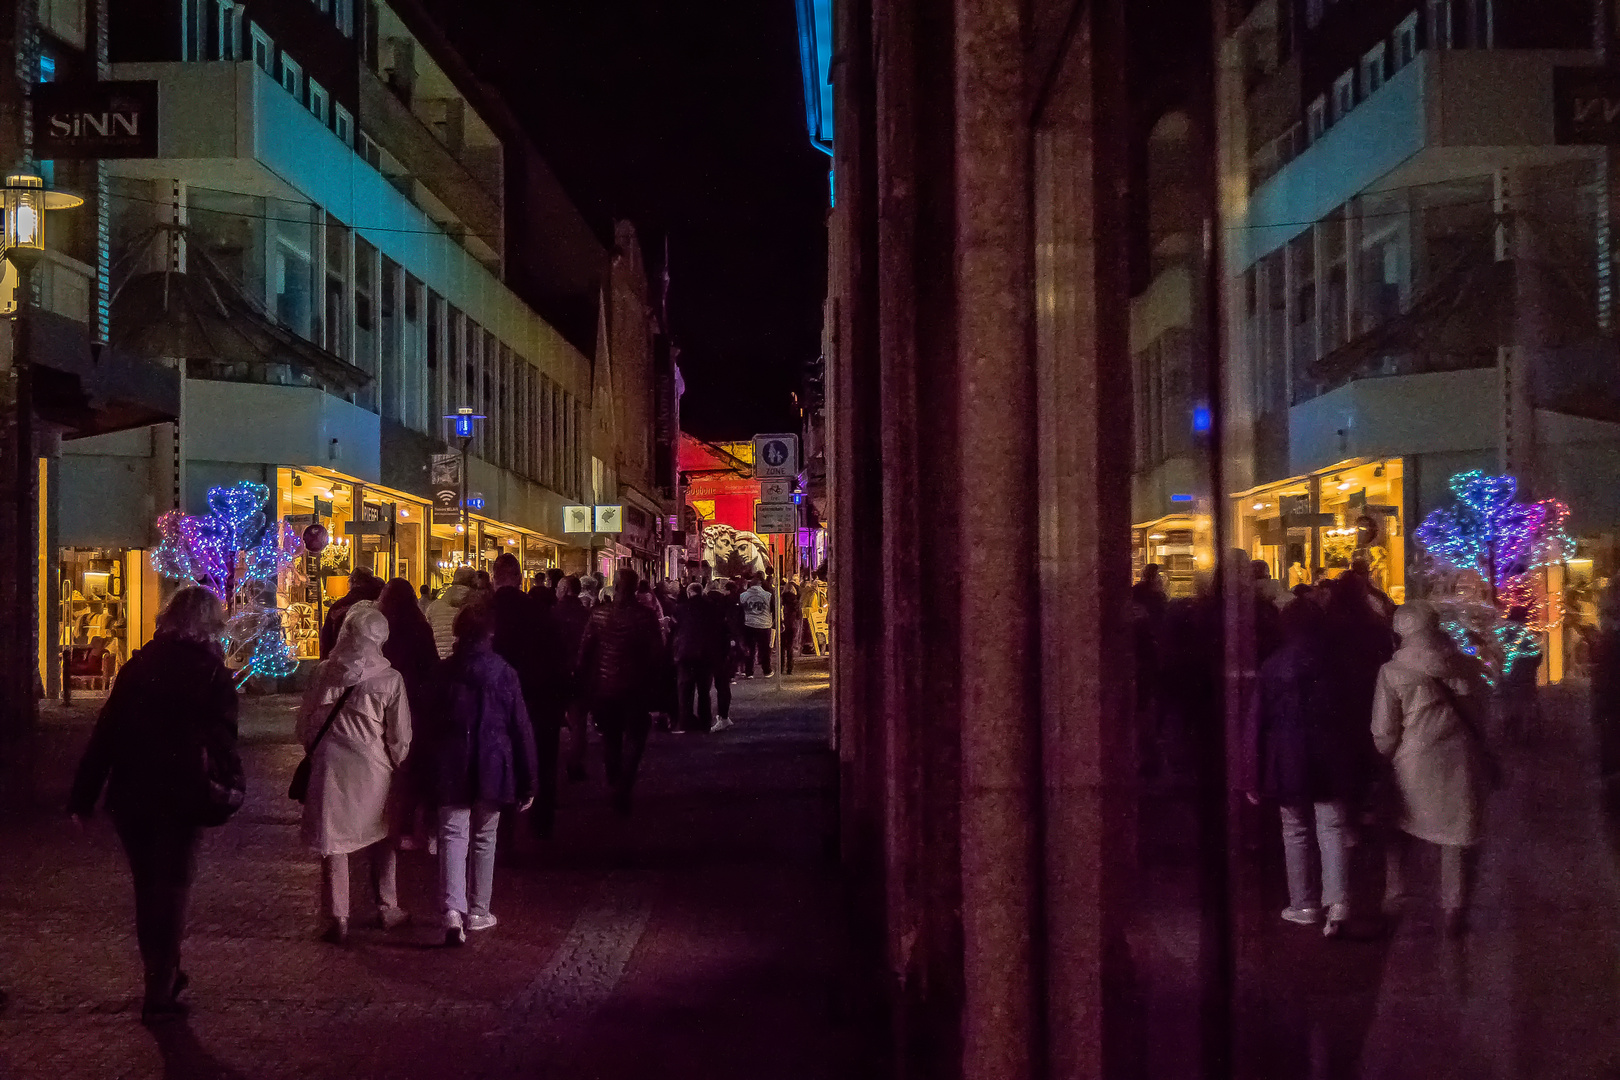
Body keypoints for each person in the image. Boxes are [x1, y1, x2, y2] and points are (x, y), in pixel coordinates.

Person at [69, 586, 239, 1024]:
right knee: (175, 883)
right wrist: (230, 782)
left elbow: (106, 732)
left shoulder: (139, 666)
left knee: (148, 886)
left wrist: (83, 798)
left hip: (133, 793)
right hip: (184, 791)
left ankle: (157, 974)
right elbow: (223, 740)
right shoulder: (213, 674)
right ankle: (164, 977)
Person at [1242, 600, 1368, 937]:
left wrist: (1251, 772)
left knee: (1295, 830)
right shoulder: (1339, 663)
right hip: (1332, 754)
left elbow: (1258, 721)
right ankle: (1338, 903)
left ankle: (1304, 903)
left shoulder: (1273, 666)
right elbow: (1355, 714)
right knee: (1332, 825)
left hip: (1288, 756)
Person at [1372, 601, 1494, 936]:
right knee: (1456, 835)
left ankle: (1396, 895)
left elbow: (1384, 731)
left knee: (1399, 829)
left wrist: (1385, 754)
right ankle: (1454, 908)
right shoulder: (1465, 665)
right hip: (1461, 760)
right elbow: (1484, 711)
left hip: (1412, 762)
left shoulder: (1392, 672)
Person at [297, 602, 412, 945]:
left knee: (335, 843)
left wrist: (315, 750)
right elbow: (400, 735)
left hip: (331, 766)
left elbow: (305, 723)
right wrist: (397, 761)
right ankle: (387, 905)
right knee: (382, 833)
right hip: (374, 766)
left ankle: (337, 914)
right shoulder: (390, 679)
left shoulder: (322, 674)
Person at [425, 601, 538, 946]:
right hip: (493, 761)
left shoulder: (445, 672)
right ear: (490, 633)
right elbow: (520, 727)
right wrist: (528, 778)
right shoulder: (504, 672)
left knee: (452, 835)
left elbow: (429, 723)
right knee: (485, 838)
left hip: (451, 762)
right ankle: (478, 910)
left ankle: (451, 911)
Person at [576, 569, 665, 814]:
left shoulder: (599, 614)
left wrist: (585, 681)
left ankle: (615, 779)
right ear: (635, 588)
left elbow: (585, 651)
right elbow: (657, 653)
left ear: (614, 586)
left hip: (606, 687)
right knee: (636, 737)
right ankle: (624, 784)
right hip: (635, 687)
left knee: (611, 737)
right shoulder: (645, 616)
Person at [489, 553, 553, 837]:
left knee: (498, 755)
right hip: (531, 691)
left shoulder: (483, 608)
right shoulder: (535, 610)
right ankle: (539, 817)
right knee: (533, 751)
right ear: (518, 578)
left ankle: (502, 826)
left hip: (492, 693)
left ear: (494, 578)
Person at [377, 578, 442, 852]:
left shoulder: (382, 629)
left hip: (382, 703)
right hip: (415, 703)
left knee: (387, 764)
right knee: (413, 765)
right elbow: (430, 666)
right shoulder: (419, 628)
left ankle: (387, 820)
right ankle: (414, 825)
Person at [548, 575, 593, 783]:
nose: (555, 590)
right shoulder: (585, 615)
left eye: (558, 587)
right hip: (579, 672)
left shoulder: (553, 614)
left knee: (551, 723)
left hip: (556, 673)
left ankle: (551, 765)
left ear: (565, 589)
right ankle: (574, 763)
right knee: (578, 723)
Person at [673, 582, 729, 733]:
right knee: (704, 690)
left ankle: (686, 721)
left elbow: (677, 628)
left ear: (690, 592)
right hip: (705, 653)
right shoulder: (711, 608)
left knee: (686, 689)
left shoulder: (681, 608)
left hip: (686, 653)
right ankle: (705, 722)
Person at [319, 566, 383, 658]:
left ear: (352, 582)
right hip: (374, 660)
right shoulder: (380, 604)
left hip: (343, 660)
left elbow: (326, 641)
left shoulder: (339, 606)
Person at [426, 566, 478, 659]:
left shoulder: (434, 607)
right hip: (468, 664)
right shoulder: (477, 605)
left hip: (441, 662)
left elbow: (426, 638)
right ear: (474, 583)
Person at [739, 572, 775, 678]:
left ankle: (749, 671)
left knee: (750, 648)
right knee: (764, 649)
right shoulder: (767, 595)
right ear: (760, 584)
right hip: (764, 625)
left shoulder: (743, 595)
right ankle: (767, 670)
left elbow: (740, 611)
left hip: (748, 624)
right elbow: (773, 609)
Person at [780, 580, 803, 675]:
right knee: (790, 647)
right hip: (792, 625)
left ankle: (781, 667)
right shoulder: (796, 602)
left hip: (782, 624)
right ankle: (789, 668)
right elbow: (799, 616)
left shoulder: (781, 600)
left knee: (781, 647)